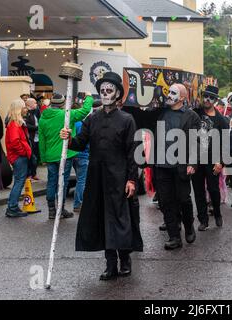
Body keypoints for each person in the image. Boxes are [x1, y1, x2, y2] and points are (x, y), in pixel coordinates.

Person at [60, 72, 143, 280]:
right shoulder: (93, 118)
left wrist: (132, 179)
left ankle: (125, 259)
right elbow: (80, 143)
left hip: (119, 177)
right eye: (103, 90)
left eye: (109, 90)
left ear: (117, 94)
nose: (105, 93)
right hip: (97, 177)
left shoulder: (127, 120)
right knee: (102, 220)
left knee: (119, 219)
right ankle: (110, 265)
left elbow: (133, 151)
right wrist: (68, 139)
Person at [123, 83, 200, 250]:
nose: (168, 95)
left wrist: (192, 163)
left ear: (182, 97)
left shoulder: (192, 116)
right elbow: (140, 118)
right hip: (161, 165)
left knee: (183, 199)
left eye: (173, 92)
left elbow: (196, 142)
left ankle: (189, 225)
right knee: (166, 201)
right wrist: (128, 99)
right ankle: (174, 236)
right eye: (168, 92)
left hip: (181, 165)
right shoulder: (159, 112)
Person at [39, 93, 92, 219]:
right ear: (63, 104)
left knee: (51, 182)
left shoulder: (42, 118)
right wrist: (89, 97)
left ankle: (52, 210)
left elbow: (42, 140)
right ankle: (61, 210)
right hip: (65, 154)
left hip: (50, 156)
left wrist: (43, 159)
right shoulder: (66, 115)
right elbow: (85, 111)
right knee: (62, 183)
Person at [193, 85, 229, 230]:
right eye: (205, 96)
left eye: (211, 97)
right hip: (196, 157)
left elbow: (226, 144)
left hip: (213, 159)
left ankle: (218, 214)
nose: (207, 99)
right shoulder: (195, 113)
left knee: (214, 189)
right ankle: (203, 220)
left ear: (215, 100)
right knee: (198, 190)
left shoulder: (222, 120)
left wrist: (221, 162)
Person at [5, 99, 32, 218]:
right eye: (24, 107)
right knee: (19, 182)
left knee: (18, 182)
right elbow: (15, 142)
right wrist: (24, 153)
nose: (26, 109)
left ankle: (12, 206)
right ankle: (12, 207)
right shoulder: (14, 124)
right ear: (18, 109)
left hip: (18, 157)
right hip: (19, 157)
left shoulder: (15, 123)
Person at [72, 115, 90, 213]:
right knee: (81, 181)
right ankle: (78, 204)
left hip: (72, 155)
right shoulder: (82, 125)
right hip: (83, 155)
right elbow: (85, 141)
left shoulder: (70, 123)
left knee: (79, 180)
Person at [24, 98, 40, 180]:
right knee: (31, 158)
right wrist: (37, 128)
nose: (36, 104)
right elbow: (26, 125)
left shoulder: (36, 112)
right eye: (35, 103)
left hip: (37, 139)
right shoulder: (26, 113)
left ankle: (34, 173)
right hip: (30, 139)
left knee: (36, 157)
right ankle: (29, 174)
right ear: (30, 104)